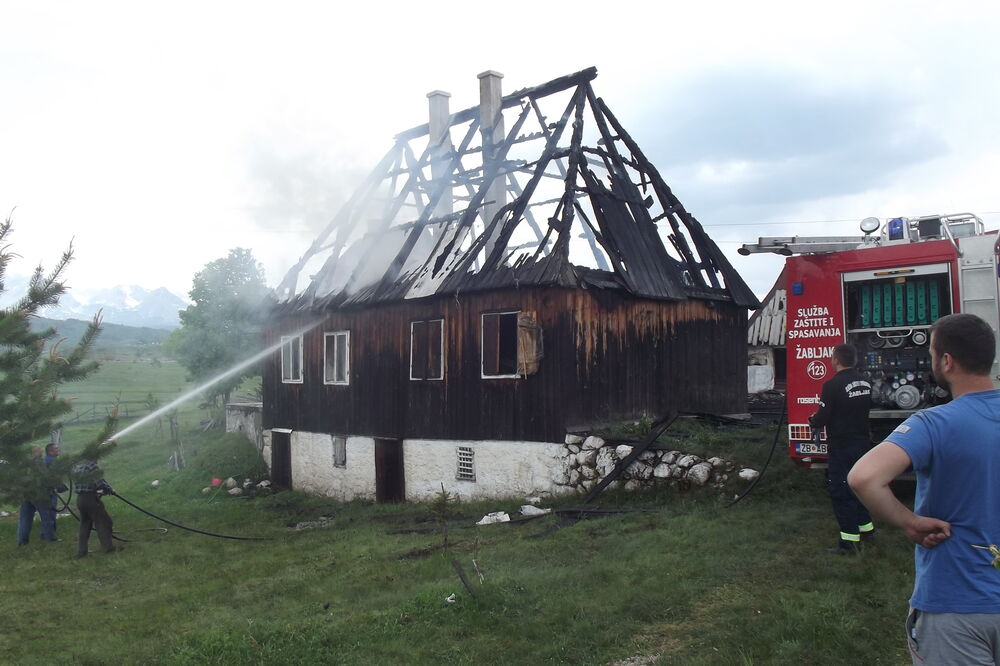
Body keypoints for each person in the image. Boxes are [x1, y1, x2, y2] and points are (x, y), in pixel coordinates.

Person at [849, 313, 1000, 664]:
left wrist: (909, 523)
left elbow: (864, 477)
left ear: (946, 361)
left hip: (957, 607)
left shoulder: (933, 423)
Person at [809, 343, 875, 554]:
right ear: (854, 360)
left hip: (841, 445)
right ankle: (867, 530)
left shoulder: (832, 385)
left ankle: (848, 542)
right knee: (860, 486)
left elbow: (823, 416)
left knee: (841, 490)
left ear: (836, 360)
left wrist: (814, 421)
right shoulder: (865, 382)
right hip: (863, 443)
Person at [71, 458, 120, 557]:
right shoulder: (92, 466)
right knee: (104, 521)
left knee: (84, 525)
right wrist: (110, 490)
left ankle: (81, 552)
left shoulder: (77, 466)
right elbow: (100, 483)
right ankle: (108, 547)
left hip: (80, 499)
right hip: (91, 499)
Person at [16, 446, 46, 545]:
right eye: (40, 451)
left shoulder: (23, 464)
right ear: (36, 453)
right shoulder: (39, 462)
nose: (42, 452)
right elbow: (43, 477)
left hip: (25, 494)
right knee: (46, 516)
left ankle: (22, 541)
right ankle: (47, 538)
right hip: (37, 494)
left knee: (24, 519)